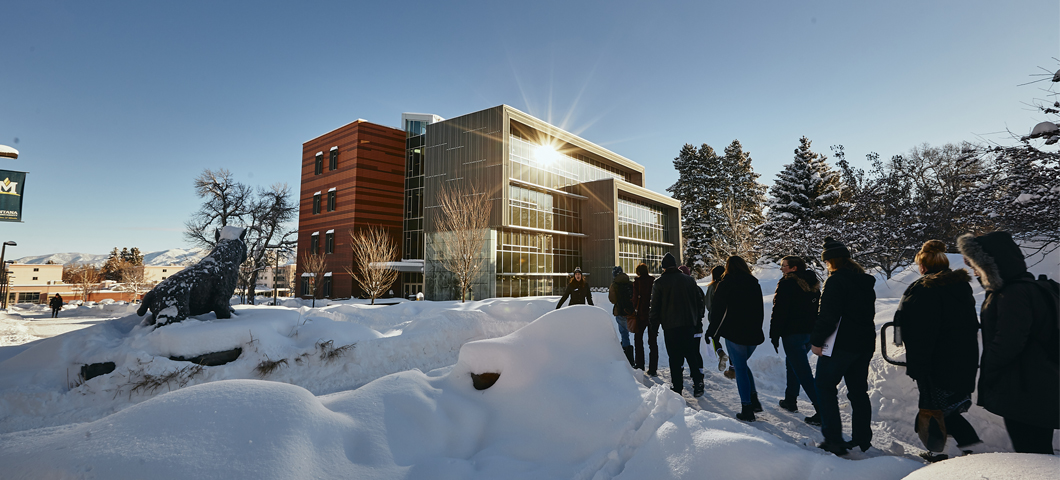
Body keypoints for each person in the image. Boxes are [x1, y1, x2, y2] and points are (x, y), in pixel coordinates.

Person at [957, 231, 1059, 454]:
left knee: (1032, 452)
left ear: (992, 265)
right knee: (1037, 448)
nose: (974, 271)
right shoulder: (1029, 287)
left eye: (977, 265)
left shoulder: (1013, 293)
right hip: (1037, 382)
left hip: (1024, 386)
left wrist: (990, 370)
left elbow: (1009, 341)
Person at [895, 240, 982, 461]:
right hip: (963, 357)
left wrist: (919, 364)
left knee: (936, 408)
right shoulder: (960, 286)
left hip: (937, 361)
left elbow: (921, 332)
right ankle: (966, 448)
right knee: (948, 407)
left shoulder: (924, 289)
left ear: (923, 266)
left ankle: (944, 452)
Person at [811, 237, 877, 456]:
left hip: (840, 345)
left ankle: (833, 440)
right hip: (864, 344)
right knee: (858, 392)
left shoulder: (835, 281)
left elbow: (828, 316)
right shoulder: (864, 282)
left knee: (824, 386)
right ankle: (862, 440)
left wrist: (817, 341)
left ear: (830, 261)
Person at [705, 255, 764, 421]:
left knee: (740, 369)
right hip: (753, 334)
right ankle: (754, 401)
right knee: (742, 366)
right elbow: (759, 310)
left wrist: (712, 332)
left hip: (735, 333)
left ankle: (747, 408)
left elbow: (718, 312)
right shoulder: (754, 283)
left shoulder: (726, 284)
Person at [769, 255, 821, 426]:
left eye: (784, 266)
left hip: (793, 333)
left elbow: (779, 310)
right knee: (793, 363)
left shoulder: (787, 284)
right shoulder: (813, 285)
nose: (782, 268)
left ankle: (821, 409)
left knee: (803, 371)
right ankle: (790, 399)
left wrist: (774, 333)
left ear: (794, 268)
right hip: (809, 333)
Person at [649, 252, 706, 397]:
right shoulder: (689, 280)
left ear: (663, 267)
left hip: (670, 326)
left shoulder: (659, 283)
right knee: (691, 354)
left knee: (674, 357)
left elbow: (654, 307)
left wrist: (653, 328)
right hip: (689, 324)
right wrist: (697, 319)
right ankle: (698, 383)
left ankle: (677, 387)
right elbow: (699, 301)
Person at [632, 263, 659, 375]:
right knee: (653, 342)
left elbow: (634, 299)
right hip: (652, 315)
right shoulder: (654, 282)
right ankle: (653, 369)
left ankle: (640, 365)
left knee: (638, 340)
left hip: (641, 315)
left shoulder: (637, 283)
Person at [704, 265, 731, 375]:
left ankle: (720, 353)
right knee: (730, 341)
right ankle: (733, 365)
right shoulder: (728, 285)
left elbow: (708, 304)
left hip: (715, 317)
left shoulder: (712, 287)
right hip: (728, 318)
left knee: (715, 338)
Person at [608, 266, 636, 367]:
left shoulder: (614, 285)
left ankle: (628, 359)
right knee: (632, 335)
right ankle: (631, 357)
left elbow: (612, 300)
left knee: (624, 334)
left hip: (620, 312)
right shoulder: (630, 283)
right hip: (630, 312)